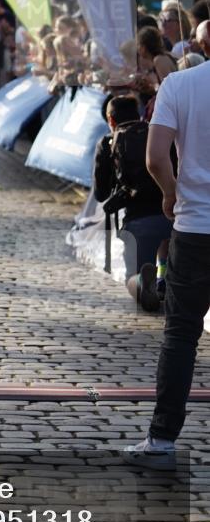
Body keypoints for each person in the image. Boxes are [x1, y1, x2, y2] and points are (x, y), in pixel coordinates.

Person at [124, 50, 210, 470]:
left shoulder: (180, 84)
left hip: (195, 228)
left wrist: (172, 193)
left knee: (180, 336)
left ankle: (161, 439)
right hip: (193, 224)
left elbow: (156, 158)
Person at [93, 94, 171, 311]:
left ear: (111, 120)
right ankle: (164, 279)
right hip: (174, 216)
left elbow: (100, 194)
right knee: (173, 256)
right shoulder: (157, 134)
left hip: (138, 223)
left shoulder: (108, 143)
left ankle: (142, 282)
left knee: (131, 279)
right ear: (139, 115)